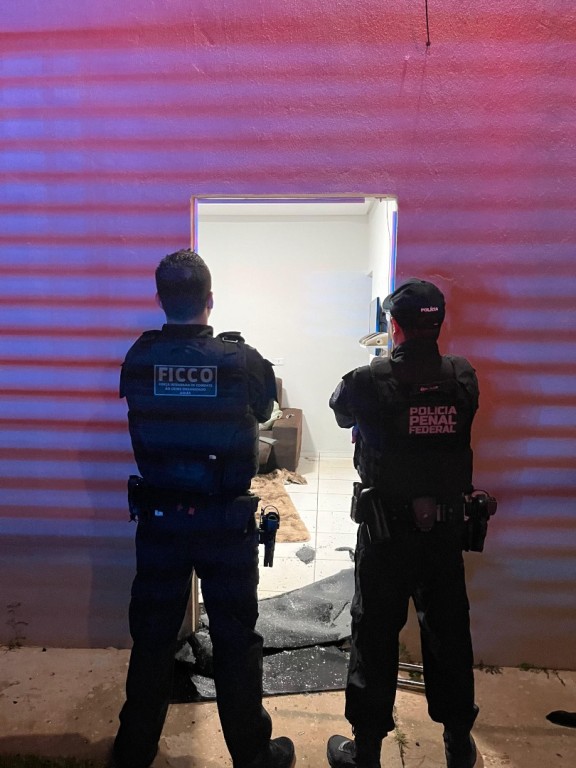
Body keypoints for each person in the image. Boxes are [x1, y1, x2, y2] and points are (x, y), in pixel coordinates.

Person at [111, 249, 295, 768]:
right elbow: (266, 410)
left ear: (159, 299)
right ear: (209, 300)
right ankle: (252, 756)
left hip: (161, 522)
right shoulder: (242, 360)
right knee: (236, 640)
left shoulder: (140, 358)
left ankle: (132, 753)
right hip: (224, 524)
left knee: (152, 638)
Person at [326, 279, 480, 768]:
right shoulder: (462, 376)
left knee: (374, 635)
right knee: (449, 633)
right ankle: (458, 743)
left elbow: (340, 412)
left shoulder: (367, 380)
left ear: (394, 325)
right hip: (444, 533)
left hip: (385, 534)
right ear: (439, 323)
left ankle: (367, 750)